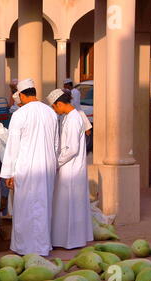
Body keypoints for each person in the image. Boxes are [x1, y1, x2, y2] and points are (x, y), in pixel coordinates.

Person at [0, 79, 59, 256]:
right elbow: (56, 143)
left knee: (25, 207)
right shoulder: (50, 112)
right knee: (43, 206)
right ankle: (42, 246)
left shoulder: (20, 114)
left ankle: (25, 248)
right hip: (47, 166)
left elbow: (12, 146)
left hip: (26, 166)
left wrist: (9, 172)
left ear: (23, 95)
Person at [47, 89, 93, 249]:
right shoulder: (69, 117)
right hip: (69, 167)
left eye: (54, 107)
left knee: (70, 205)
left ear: (60, 104)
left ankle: (71, 241)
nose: (55, 111)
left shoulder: (74, 119)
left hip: (71, 168)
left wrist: (56, 162)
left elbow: (72, 148)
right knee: (66, 205)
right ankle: (66, 239)